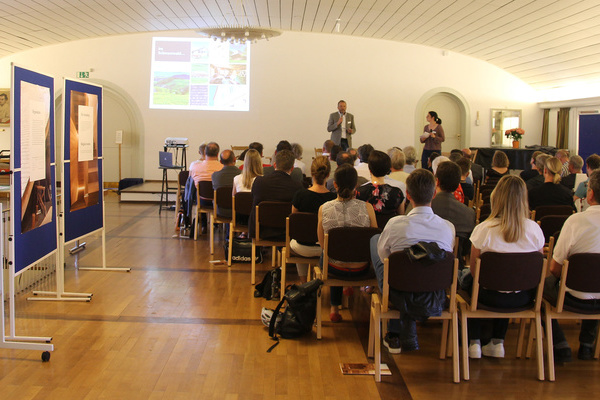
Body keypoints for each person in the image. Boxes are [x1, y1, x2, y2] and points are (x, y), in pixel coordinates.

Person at [370, 168, 455, 353]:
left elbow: (385, 258)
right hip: (434, 292)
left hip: (398, 291)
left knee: (377, 243)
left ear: (407, 195)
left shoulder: (395, 225)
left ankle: (394, 331)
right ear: (434, 193)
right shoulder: (448, 228)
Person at [462, 175, 544, 359]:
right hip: (522, 297)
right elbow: (536, 269)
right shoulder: (534, 230)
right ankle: (497, 341)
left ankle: (473, 341)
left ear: (496, 197)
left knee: (467, 279)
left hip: (486, 296)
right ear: (524, 200)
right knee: (511, 279)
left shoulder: (484, 229)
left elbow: (476, 273)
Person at [544, 170, 600, 362]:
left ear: (590, 194)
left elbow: (554, 269)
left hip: (572, 296)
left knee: (537, 290)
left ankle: (560, 344)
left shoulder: (576, 221)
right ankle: (586, 344)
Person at [318, 164, 377, 322]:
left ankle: (334, 307)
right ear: (356, 185)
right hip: (361, 269)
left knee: (329, 253)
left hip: (334, 269)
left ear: (334, 184)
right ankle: (346, 290)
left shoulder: (324, 208)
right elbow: (374, 239)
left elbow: (323, 244)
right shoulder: (367, 208)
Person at [290, 156, 336, 283]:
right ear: (328, 175)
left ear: (312, 173)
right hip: (325, 248)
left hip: (302, 248)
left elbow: (295, 222)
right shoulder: (333, 198)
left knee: (298, 237)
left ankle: (304, 283)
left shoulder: (300, 195)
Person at [249, 149, 303, 240]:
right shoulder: (297, 187)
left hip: (261, 231)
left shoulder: (259, 182)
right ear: (292, 168)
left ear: (274, 165)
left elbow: (253, 201)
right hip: (286, 233)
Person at [431, 161, 475, 249]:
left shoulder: (427, 208)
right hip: (456, 259)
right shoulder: (469, 214)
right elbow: (466, 249)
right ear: (458, 184)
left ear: (437, 181)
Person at [356, 150, 404, 229]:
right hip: (390, 233)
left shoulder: (359, 192)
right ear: (388, 169)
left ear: (370, 169)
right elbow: (401, 217)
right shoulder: (397, 192)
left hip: (367, 234)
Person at [189, 142, 222, 232]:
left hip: (202, 201)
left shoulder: (195, 167)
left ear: (204, 152)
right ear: (218, 154)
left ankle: (204, 226)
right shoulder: (223, 168)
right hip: (219, 202)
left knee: (198, 192)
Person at [211, 149, 241, 218]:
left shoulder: (214, 175)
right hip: (237, 211)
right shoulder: (241, 174)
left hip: (220, 211)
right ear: (234, 159)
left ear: (221, 162)